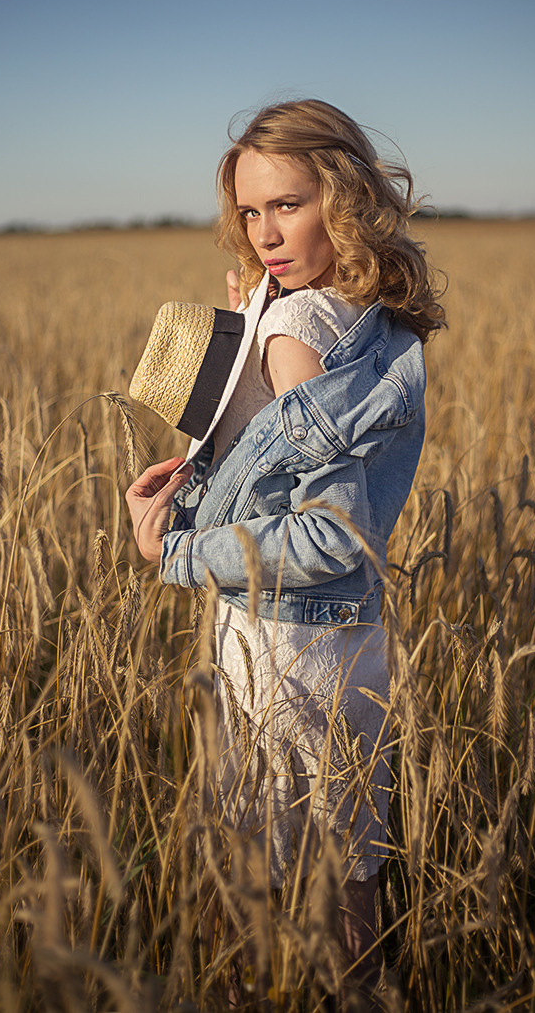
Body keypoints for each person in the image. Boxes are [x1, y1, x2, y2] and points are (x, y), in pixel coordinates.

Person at [125, 99, 445, 1002]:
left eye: (289, 205)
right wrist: (257, 336)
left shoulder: (297, 329)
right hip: (350, 641)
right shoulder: (374, 313)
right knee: (348, 862)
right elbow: (289, 461)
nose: (266, 232)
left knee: (255, 879)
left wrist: (174, 554)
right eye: (252, 211)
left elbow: (325, 535)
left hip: (281, 640)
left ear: (339, 198)